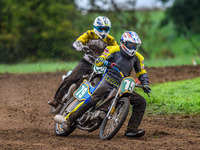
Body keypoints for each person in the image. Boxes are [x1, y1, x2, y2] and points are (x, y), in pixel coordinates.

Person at [62, 31, 151, 138]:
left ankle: (132, 129)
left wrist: (145, 83)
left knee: (141, 102)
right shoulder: (113, 49)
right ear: (123, 43)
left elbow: (142, 72)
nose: (132, 48)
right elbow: (99, 60)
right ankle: (68, 120)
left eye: (134, 45)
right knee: (92, 99)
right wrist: (106, 63)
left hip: (122, 85)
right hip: (108, 80)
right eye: (130, 45)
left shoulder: (138, 57)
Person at [48, 16, 118, 107]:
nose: (103, 32)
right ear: (96, 27)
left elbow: (117, 50)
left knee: (107, 83)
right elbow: (78, 41)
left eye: (106, 29)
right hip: (87, 61)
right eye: (101, 29)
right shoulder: (89, 34)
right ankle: (56, 100)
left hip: (102, 64)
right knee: (72, 78)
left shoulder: (110, 40)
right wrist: (80, 46)